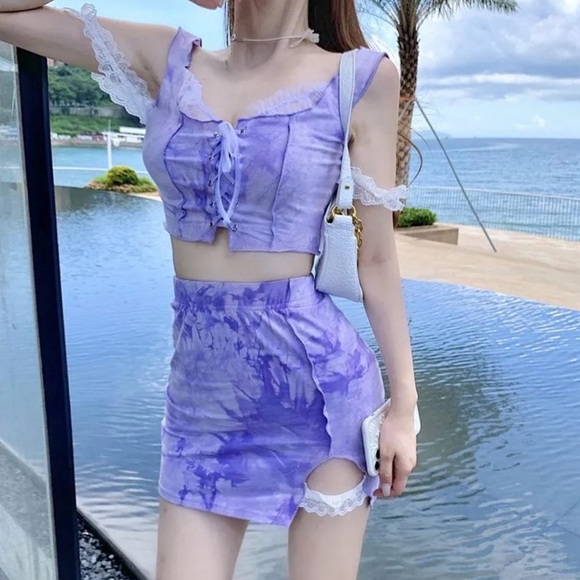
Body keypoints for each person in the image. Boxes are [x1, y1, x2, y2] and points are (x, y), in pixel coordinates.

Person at [0, 1, 419, 578]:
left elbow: (377, 259)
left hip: (321, 401)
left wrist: (404, 407)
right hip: (201, 404)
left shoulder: (360, 77)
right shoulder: (165, 59)